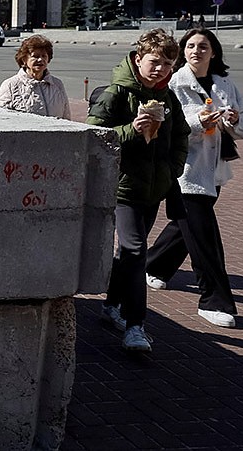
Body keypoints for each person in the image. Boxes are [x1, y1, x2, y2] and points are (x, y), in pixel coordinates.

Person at [86, 28, 189, 352]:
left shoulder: (167, 96)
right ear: (139, 57)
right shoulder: (117, 92)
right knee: (135, 250)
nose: (161, 69)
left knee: (127, 254)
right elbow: (92, 136)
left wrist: (173, 169)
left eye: (168, 64)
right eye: (155, 62)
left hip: (154, 189)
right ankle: (136, 326)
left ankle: (110, 307)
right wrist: (131, 130)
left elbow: (182, 135)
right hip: (124, 187)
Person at [145, 28, 243, 328]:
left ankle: (153, 266)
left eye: (203, 46)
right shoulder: (174, 84)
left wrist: (232, 120)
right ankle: (214, 300)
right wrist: (197, 121)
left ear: (213, 52)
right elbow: (164, 128)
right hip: (185, 173)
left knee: (184, 228)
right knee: (205, 237)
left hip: (214, 171)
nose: (196, 51)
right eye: (190, 46)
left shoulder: (224, 85)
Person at [0, 34, 71, 119]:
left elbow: (66, 116)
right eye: (35, 56)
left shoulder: (57, 84)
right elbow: (0, 117)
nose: (40, 60)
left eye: (44, 56)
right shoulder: (10, 85)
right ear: (24, 59)